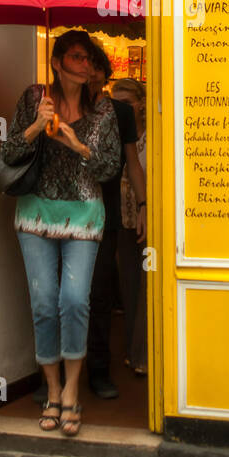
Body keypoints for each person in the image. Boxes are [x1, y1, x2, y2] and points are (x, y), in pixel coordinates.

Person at [0, 29, 120, 437]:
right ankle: (51, 388)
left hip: (84, 215)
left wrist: (77, 145)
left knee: (73, 300)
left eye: (89, 59)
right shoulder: (35, 98)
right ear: (57, 62)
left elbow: (109, 168)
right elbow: (8, 153)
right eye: (76, 57)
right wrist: (37, 125)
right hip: (35, 213)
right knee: (44, 302)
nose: (86, 66)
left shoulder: (104, 110)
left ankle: (72, 388)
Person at [85, 44, 145, 397]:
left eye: (93, 65)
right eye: (80, 62)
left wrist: (143, 204)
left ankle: (98, 369)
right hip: (63, 213)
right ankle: (58, 372)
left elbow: (132, 163)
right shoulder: (60, 107)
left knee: (100, 293)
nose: (88, 73)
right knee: (65, 297)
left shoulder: (120, 112)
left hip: (104, 215)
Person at [111, 75, 149, 374]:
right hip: (118, 221)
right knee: (129, 287)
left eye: (125, 103)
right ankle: (133, 352)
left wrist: (144, 206)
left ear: (141, 104)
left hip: (146, 220)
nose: (119, 109)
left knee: (146, 287)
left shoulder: (153, 138)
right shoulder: (112, 138)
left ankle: (142, 356)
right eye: (115, 103)